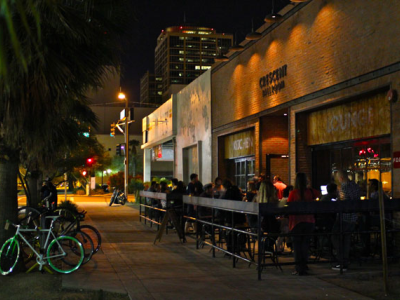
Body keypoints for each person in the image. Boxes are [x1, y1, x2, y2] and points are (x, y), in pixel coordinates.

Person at [288, 172, 320, 276]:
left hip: (296, 222)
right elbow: (320, 196)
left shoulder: (293, 193)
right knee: (305, 245)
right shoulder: (311, 192)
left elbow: (288, 206)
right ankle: (304, 265)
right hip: (309, 221)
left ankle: (299, 268)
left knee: (297, 246)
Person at [331, 170, 361, 271]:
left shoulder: (343, 187)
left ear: (341, 178)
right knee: (346, 239)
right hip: (353, 217)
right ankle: (345, 260)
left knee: (337, 237)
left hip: (344, 217)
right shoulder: (355, 185)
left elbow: (343, 200)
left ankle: (341, 262)